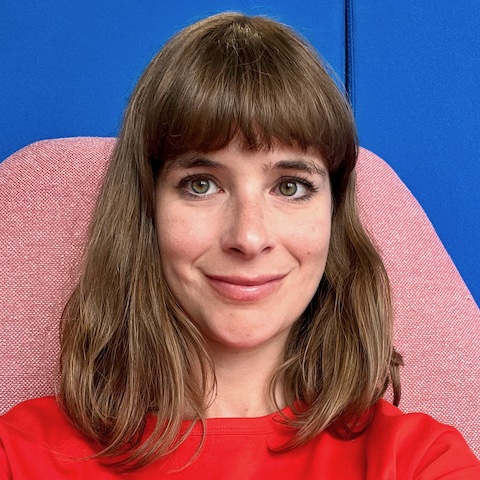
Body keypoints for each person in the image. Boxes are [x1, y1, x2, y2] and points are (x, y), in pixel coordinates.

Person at [0, 12, 479, 479]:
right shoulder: (19, 455)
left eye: (290, 186)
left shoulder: (422, 462)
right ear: (144, 211)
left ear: (334, 218)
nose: (249, 238)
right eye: (202, 184)